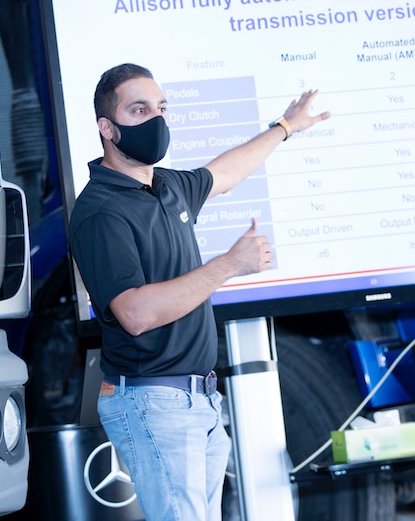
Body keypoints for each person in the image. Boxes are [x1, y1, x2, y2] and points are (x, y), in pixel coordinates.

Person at [68, 63, 330, 521]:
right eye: (139, 110)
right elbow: (134, 313)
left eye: (161, 108)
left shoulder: (167, 186)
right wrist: (229, 265)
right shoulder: (101, 211)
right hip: (154, 401)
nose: (156, 120)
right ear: (107, 128)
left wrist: (286, 127)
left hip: (198, 399)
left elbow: (225, 172)